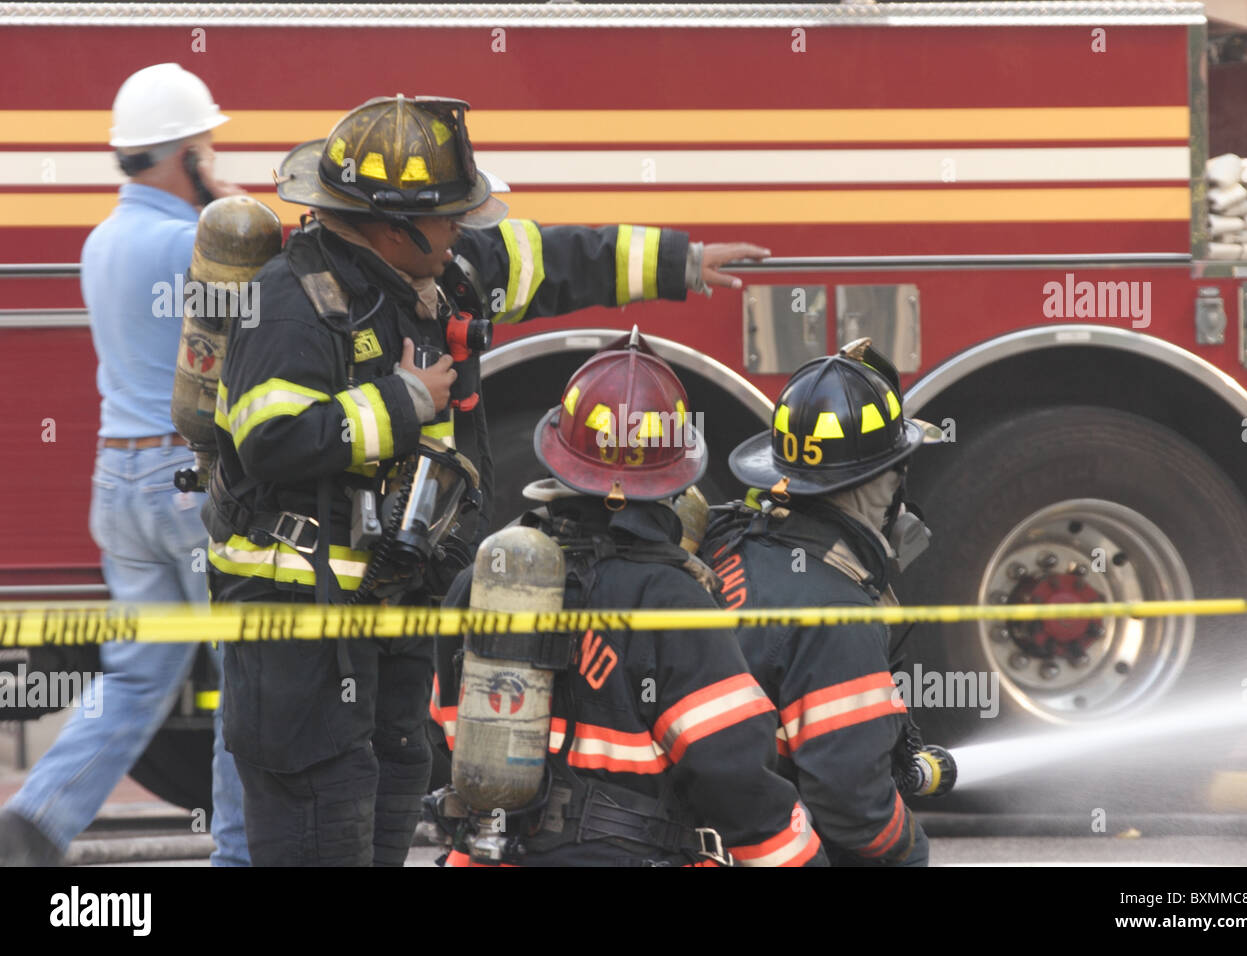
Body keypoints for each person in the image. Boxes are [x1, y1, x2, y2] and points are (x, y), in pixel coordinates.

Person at [205, 95, 769, 866]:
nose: (461, 231)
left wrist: (682, 262)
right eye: (446, 218)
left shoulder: (444, 272)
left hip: (388, 614)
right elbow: (269, 439)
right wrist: (401, 403)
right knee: (318, 834)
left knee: (387, 814)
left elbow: (555, 260)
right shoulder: (289, 304)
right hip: (300, 637)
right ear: (386, 223)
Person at [428, 333, 826, 867]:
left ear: (560, 457)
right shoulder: (669, 600)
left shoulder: (483, 578)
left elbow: (443, 731)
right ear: (673, 481)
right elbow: (731, 772)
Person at [0, 63, 248, 867]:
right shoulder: (188, 244)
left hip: (118, 485)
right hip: (185, 485)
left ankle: (36, 819)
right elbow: (249, 331)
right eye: (207, 146)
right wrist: (230, 213)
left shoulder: (101, 239)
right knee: (247, 678)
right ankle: (239, 854)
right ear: (184, 154)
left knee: (139, 676)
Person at [699, 340, 939, 866]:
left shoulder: (727, 539)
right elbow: (855, 810)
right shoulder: (835, 609)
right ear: (887, 479)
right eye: (899, 470)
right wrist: (912, 850)